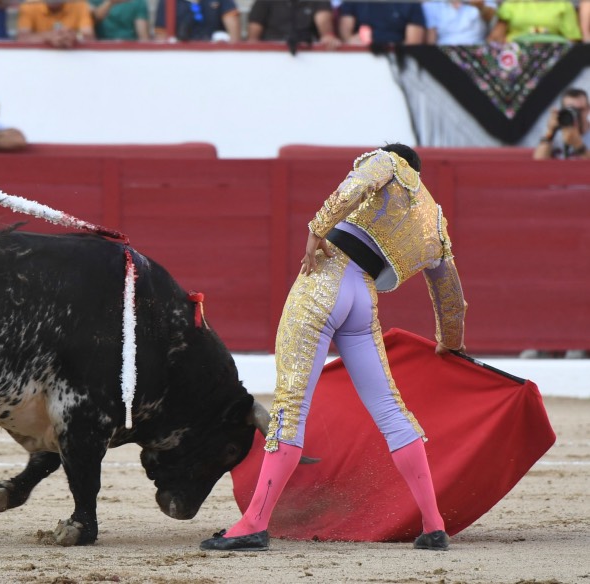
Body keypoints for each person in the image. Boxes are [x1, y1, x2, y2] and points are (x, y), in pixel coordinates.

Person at [200, 144, 466, 553]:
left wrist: (316, 230)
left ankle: (254, 523)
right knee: (393, 412)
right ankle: (433, 526)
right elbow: (448, 292)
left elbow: (355, 186)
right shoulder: (435, 221)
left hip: (325, 280)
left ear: (396, 157)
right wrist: (451, 344)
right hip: (363, 300)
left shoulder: (387, 163)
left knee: (291, 404)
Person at [246, 0, 340, 49]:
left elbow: (324, 24)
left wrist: (328, 36)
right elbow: (253, 37)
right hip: (272, 53)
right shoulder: (264, 1)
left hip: (309, 52)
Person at [486, 0, 581, 43]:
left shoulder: (563, 4)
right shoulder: (511, 4)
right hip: (516, 54)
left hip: (553, 57)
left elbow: (572, 39)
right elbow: (496, 37)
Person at [534, 87, 590, 160]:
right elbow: (539, 161)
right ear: (563, 110)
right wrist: (551, 131)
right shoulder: (556, 134)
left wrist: (579, 146)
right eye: (571, 109)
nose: (576, 114)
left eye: (580, 110)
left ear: (588, 109)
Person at [338, 0, 426, 45]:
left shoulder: (411, 3)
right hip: (362, 56)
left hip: (397, 58)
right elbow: (346, 36)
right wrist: (351, 42)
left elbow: (413, 43)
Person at [16, 0, 95, 48]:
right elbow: (22, 38)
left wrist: (74, 36)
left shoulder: (80, 4)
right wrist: (47, 37)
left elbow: (89, 37)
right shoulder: (29, 5)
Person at [153, 0, 240, 42]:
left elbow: (234, 37)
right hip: (180, 56)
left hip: (215, 56)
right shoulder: (167, 2)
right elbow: (161, 37)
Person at [422, 0, 496, 45]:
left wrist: (480, 7)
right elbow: (431, 41)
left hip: (477, 51)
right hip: (444, 52)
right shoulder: (431, 4)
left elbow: (491, 18)